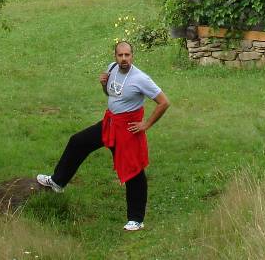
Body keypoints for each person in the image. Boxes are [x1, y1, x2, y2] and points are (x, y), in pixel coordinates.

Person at [37, 40, 170, 231]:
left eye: (127, 55)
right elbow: (112, 94)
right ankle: (58, 182)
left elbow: (164, 102)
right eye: (120, 55)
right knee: (78, 142)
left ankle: (136, 219)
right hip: (110, 123)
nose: (124, 59)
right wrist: (103, 85)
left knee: (133, 171)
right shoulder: (112, 68)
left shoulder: (141, 79)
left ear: (132, 56)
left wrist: (146, 124)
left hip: (128, 129)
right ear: (115, 56)